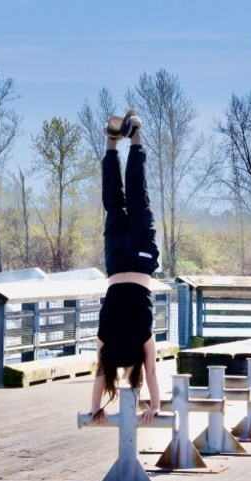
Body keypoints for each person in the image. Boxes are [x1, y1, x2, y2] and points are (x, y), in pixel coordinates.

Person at [89, 109, 162, 424]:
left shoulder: (143, 339)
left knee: (136, 200)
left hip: (141, 262)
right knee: (113, 204)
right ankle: (110, 140)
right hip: (115, 263)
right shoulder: (105, 343)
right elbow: (98, 378)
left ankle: (135, 138)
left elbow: (153, 371)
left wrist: (155, 405)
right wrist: (96, 409)